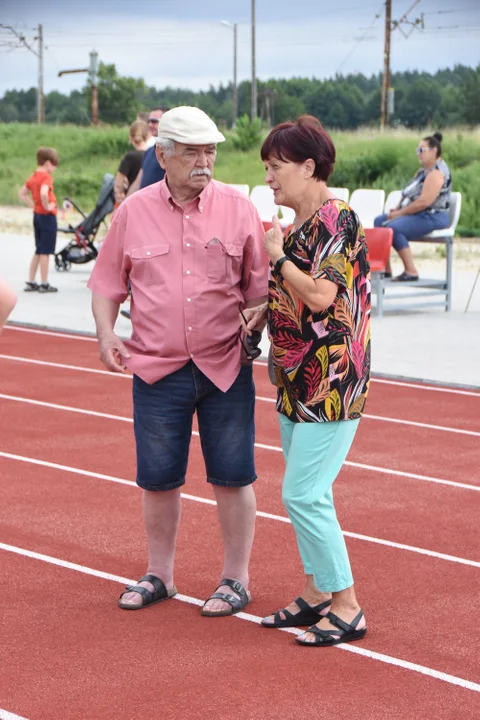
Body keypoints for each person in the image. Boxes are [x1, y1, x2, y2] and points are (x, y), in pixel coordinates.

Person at [87, 106, 268, 616]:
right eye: (191, 151)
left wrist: (259, 317)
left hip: (225, 368)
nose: (204, 160)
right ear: (161, 154)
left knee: (234, 476)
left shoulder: (239, 208)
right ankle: (160, 574)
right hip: (155, 369)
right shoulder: (133, 212)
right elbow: (106, 285)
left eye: (210, 150)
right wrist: (105, 334)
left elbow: (260, 289)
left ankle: (236, 579)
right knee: (158, 478)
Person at [259, 116, 370, 647]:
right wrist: (262, 311)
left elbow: (323, 297)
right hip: (294, 378)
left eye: (277, 168)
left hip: (332, 379)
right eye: (266, 169)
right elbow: (294, 296)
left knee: (303, 492)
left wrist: (277, 258)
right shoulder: (300, 225)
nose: (270, 179)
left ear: (309, 166)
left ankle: (347, 604)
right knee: (302, 493)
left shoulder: (336, 218)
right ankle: (315, 591)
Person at [374, 131, 452, 281]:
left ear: (434, 151)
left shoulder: (437, 173)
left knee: (394, 227)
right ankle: (384, 269)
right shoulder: (423, 171)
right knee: (379, 221)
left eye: (421, 150)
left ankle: (411, 271)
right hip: (418, 214)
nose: (418, 153)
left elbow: (424, 203)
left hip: (432, 216)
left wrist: (399, 214)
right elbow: (408, 194)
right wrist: (397, 208)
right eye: (418, 150)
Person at [18, 147, 59, 293]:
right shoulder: (46, 177)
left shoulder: (34, 176)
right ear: (48, 163)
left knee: (39, 248)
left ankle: (31, 280)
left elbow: (22, 193)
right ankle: (44, 282)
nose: (54, 168)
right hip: (47, 217)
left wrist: (34, 206)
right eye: (54, 165)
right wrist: (47, 206)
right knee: (45, 251)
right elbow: (43, 192)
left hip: (37, 215)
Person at [127, 107, 169, 194]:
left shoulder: (174, 154)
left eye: (154, 121)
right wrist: (125, 205)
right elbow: (137, 183)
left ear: (167, 122)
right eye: (148, 121)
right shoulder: (149, 151)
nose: (150, 124)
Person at [113, 120, 149, 206]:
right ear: (147, 136)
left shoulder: (129, 157)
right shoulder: (153, 155)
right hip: (149, 201)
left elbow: (118, 183)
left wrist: (120, 192)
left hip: (132, 200)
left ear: (130, 137)